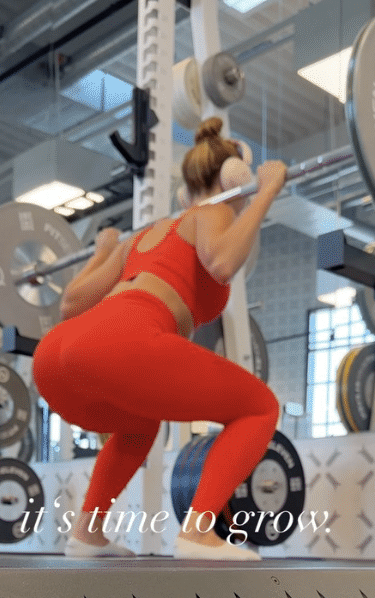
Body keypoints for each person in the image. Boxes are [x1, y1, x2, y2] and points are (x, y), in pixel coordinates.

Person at [32, 117, 286, 561]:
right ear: (234, 177)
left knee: (138, 423)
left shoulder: (144, 236)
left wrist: (102, 254)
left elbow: (71, 303)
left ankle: (88, 534)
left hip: (56, 355)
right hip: (125, 341)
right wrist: (265, 192)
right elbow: (223, 264)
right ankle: (199, 532)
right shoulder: (214, 212)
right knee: (260, 407)